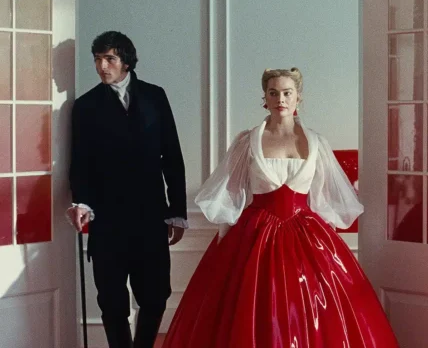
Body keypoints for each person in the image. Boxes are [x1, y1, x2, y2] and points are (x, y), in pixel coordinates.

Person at [162, 68, 399, 347]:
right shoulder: (247, 141)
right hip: (254, 234)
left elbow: (325, 194)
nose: (280, 99)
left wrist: (330, 245)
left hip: (307, 233)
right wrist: (224, 238)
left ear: (299, 97)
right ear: (265, 98)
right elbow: (231, 189)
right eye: (273, 93)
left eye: (287, 93)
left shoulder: (317, 142)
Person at [67, 31, 188, 348]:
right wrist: (81, 202)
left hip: (151, 215)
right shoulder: (85, 106)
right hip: (107, 218)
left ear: (126, 61)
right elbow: (79, 161)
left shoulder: (155, 97)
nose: (101, 66)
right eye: (97, 59)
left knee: (155, 295)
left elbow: (172, 156)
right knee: (111, 300)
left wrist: (177, 211)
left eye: (109, 59)